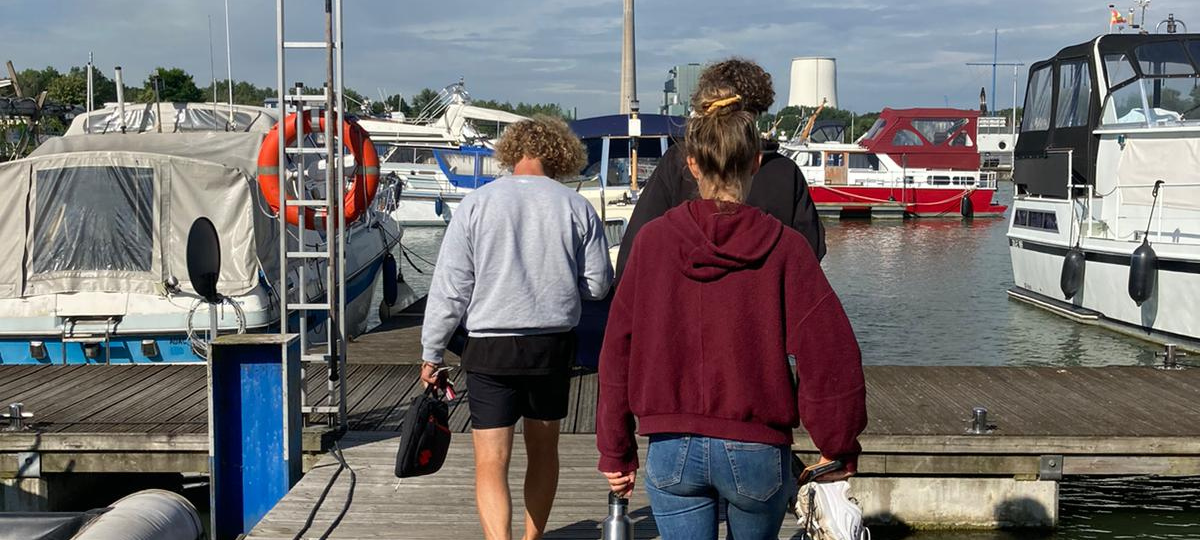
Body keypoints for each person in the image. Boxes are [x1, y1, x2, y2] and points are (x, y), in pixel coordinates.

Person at [596, 84, 867, 540]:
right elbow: (829, 350)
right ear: (756, 163)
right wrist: (837, 444)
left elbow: (617, 349)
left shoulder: (652, 243)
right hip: (757, 448)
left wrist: (615, 450)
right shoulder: (786, 247)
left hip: (671, 442)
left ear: (692, 165)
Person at [421, 116, 613, 540]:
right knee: (544, 453)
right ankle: (532, 537)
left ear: (510, 152)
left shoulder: (477, 204)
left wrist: (432, 352)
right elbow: (599, 286)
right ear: (561, 154)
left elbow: (451, 289)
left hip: (489, 348)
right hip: (551, 346)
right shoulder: (575, 206)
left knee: (492, 462)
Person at [613, 58, 825, 281]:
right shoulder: (785, 173)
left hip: (681, 308)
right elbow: (810, 258)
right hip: (762, 309)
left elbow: (632, 260)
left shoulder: (679, 161)